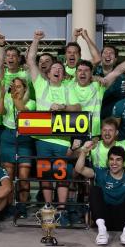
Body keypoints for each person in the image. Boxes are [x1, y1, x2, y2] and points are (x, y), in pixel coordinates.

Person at [27, 30, 81, 226]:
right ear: (48, 73)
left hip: (62, 139)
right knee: (44, 172)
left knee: (62, 173)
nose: (57, 70)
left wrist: (63, 107)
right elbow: (31, 60)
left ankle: (62, 209)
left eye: (60, 68)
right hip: (42, 138)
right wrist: (36, 39)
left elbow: (77, 108)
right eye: (54, 68)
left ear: (63, 73)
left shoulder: (69, 88)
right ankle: (48, 206)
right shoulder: (40, 85)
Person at [75, 145, 125, 246]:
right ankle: (102, 233)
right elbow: (79, 169)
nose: (114, 163)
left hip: (123, 219)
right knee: (95, 190)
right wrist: (83, 152)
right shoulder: (101, 172)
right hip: (103, 219)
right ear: (108, 161)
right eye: (111, 159)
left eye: (118, 160)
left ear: (124, 162)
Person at [0, 77, 36, 218]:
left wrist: (14, 97)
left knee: (24, 176)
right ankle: (9, 206)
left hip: (24, 139)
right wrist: (2, 96)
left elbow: (24, 112)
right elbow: (0, 112)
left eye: (19, 86)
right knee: (8, 175)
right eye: (13, 86)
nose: (16, 89)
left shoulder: (32, 103)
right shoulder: (8, 99)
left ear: (25, 88)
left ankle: (22, 206)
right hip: (8, 137)